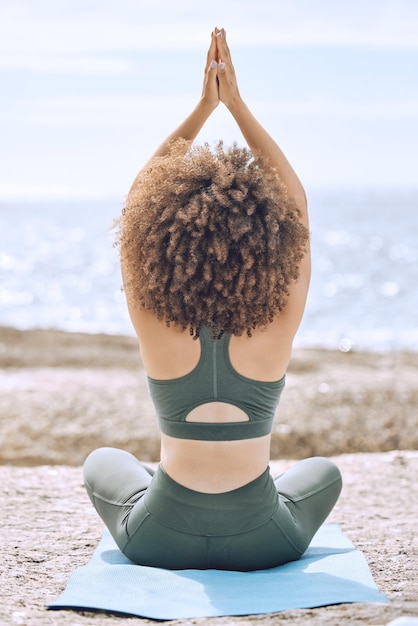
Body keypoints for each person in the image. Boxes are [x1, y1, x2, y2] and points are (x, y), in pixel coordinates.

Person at [83, 28, 342, 571]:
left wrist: (203, 108)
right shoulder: (277, 327)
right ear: (271, 245)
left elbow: (136, 210)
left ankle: (171, 480)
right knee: (325, 471)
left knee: (104, 461)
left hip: (160, 538)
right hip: (264, 542)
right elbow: (297, 204)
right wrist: (237, 107)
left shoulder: (154, 322)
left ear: (159, 242)